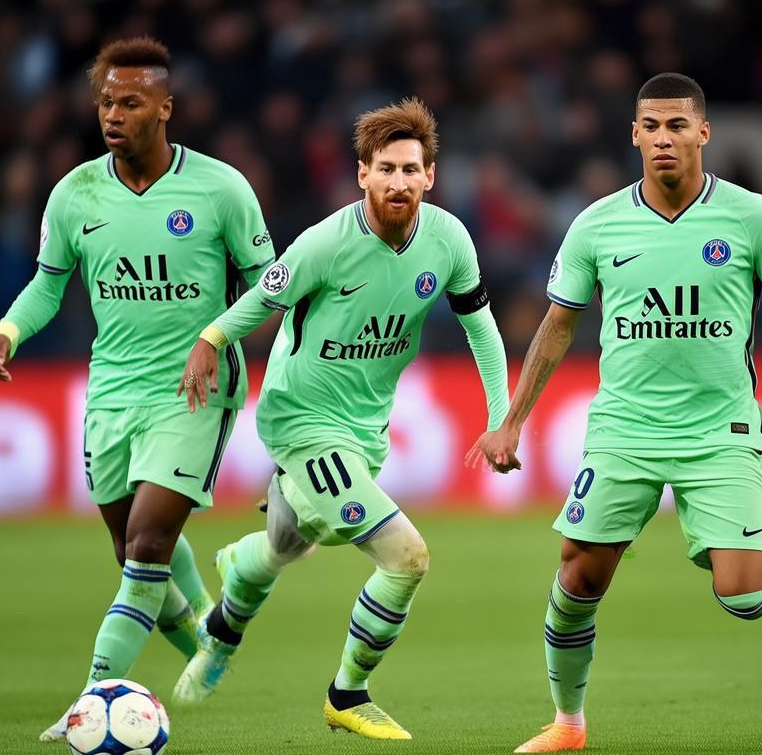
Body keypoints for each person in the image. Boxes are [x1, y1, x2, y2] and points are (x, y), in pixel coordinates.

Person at [468, 72, 762, 753]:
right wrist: (511, 420)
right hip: (624, 430)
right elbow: (557, 326)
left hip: (719, 430)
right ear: (634, 134)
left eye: (677, 125)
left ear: (703, 132)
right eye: (652, 126)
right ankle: (568, 724)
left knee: (744, 598)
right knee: (577, 573)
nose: (664, 138)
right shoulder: (597, 224)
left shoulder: (751, 217)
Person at [171, 97, 509, 739]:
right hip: (301, 420)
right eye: (386, 169)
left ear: (430, 176)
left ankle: (225, 615)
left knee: (283, 547)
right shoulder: (325, 243)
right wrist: (211, 338)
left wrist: (501, 418)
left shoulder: (448, 241)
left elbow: (483, 331)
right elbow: (261, 301)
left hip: (364, 429)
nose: (399, 182)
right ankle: (347, 695)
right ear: (362, 174)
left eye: (410, 170)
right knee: (406, 556)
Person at [0, 36, 275, 742]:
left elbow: (271, 285)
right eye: (106, 101)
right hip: (111, 392)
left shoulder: (220, 189)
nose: (113, 114)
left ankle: (91, 700)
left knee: (145, 546)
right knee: (133, 553)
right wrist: (9, 331)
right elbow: (49, 285)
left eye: (131, 102)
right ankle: (210, 636)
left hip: (193, 393)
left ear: (166, 108)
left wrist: (216, 339)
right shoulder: (74, 194)